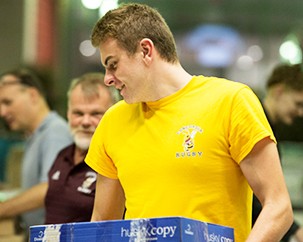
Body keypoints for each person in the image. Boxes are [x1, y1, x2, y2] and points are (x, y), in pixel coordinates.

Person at [84, 3, 293, 242]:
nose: (107, 79)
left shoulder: (231, 102)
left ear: (145, 50)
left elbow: (279, 207)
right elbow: (102, 224)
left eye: (113, 64)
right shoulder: (113, 121)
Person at [0, 72, 119, 225]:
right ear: (68, 114)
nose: (85, 121)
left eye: (95, 113)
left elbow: (107, 225)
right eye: (78, 113)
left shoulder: (112, 163)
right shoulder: (63, 156)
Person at [0, 68, 73, 229]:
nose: (2, 112)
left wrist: (3, 209)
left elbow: (49, 188)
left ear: (32, 95)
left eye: (7, 102)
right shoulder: (36, 136)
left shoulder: (55, 132)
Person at [252, 63, 303, 242]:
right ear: (279, 91)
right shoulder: (255, 127)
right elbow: (255, 198)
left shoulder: (269, 130)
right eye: (298, 103)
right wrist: (293, 229)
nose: (300, 112)